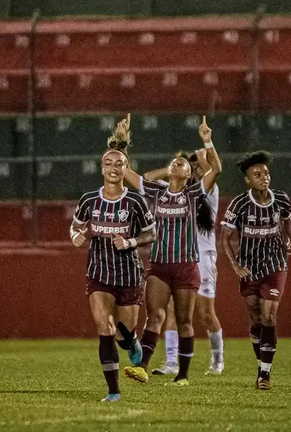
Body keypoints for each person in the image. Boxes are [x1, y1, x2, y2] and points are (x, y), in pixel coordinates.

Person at [118, 114, 222, 386]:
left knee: (185, 321)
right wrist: (121, 144)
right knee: (155, 316)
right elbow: (127, 174)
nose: (177, 164)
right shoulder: (156, 191)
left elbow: (216, 170)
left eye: (182, 164)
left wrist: (208, 141)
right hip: (160, 264)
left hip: (186, 265)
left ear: (189, 175)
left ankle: (183, 375)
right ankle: (142, 367)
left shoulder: (194, 194)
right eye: (175, 162)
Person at [69, 131, 157, 402]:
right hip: (99, 273)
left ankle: (131, 343)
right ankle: (113, 391)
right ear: (102, 168)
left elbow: (151, 233)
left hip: (129, 274)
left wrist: (130, 241)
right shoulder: (88, 200)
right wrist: (75, 236)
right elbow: (75, 226)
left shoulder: (135, 201)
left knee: (122, 335)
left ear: (126, 168)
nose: (113, 168)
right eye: (108, 163)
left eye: (119, 164)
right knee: (104, 327)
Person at [220, 150, 291, 391]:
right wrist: (236, 266)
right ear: (248, 179)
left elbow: (287, 218)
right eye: (257, 174)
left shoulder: (281, 199)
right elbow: (224, 237)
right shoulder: (240, 204)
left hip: (275, 265)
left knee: (269, 317)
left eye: (266, 173)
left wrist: (290, 240)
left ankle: (265, 374)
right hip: (249, 268)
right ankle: (260, 363)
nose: (264, 178)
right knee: (256, 320)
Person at [145, 150, 225, 376]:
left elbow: (213, 171)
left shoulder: (207, 192)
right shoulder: (171, 192)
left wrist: (202, 156)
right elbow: (148, 178)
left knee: (206, 313)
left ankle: (217, 360)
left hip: (204, 258)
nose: (197, 170)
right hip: (178, 258)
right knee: (172, 312)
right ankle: (172, 362)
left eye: (198, 168)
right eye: (192, 167)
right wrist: (171, 169)